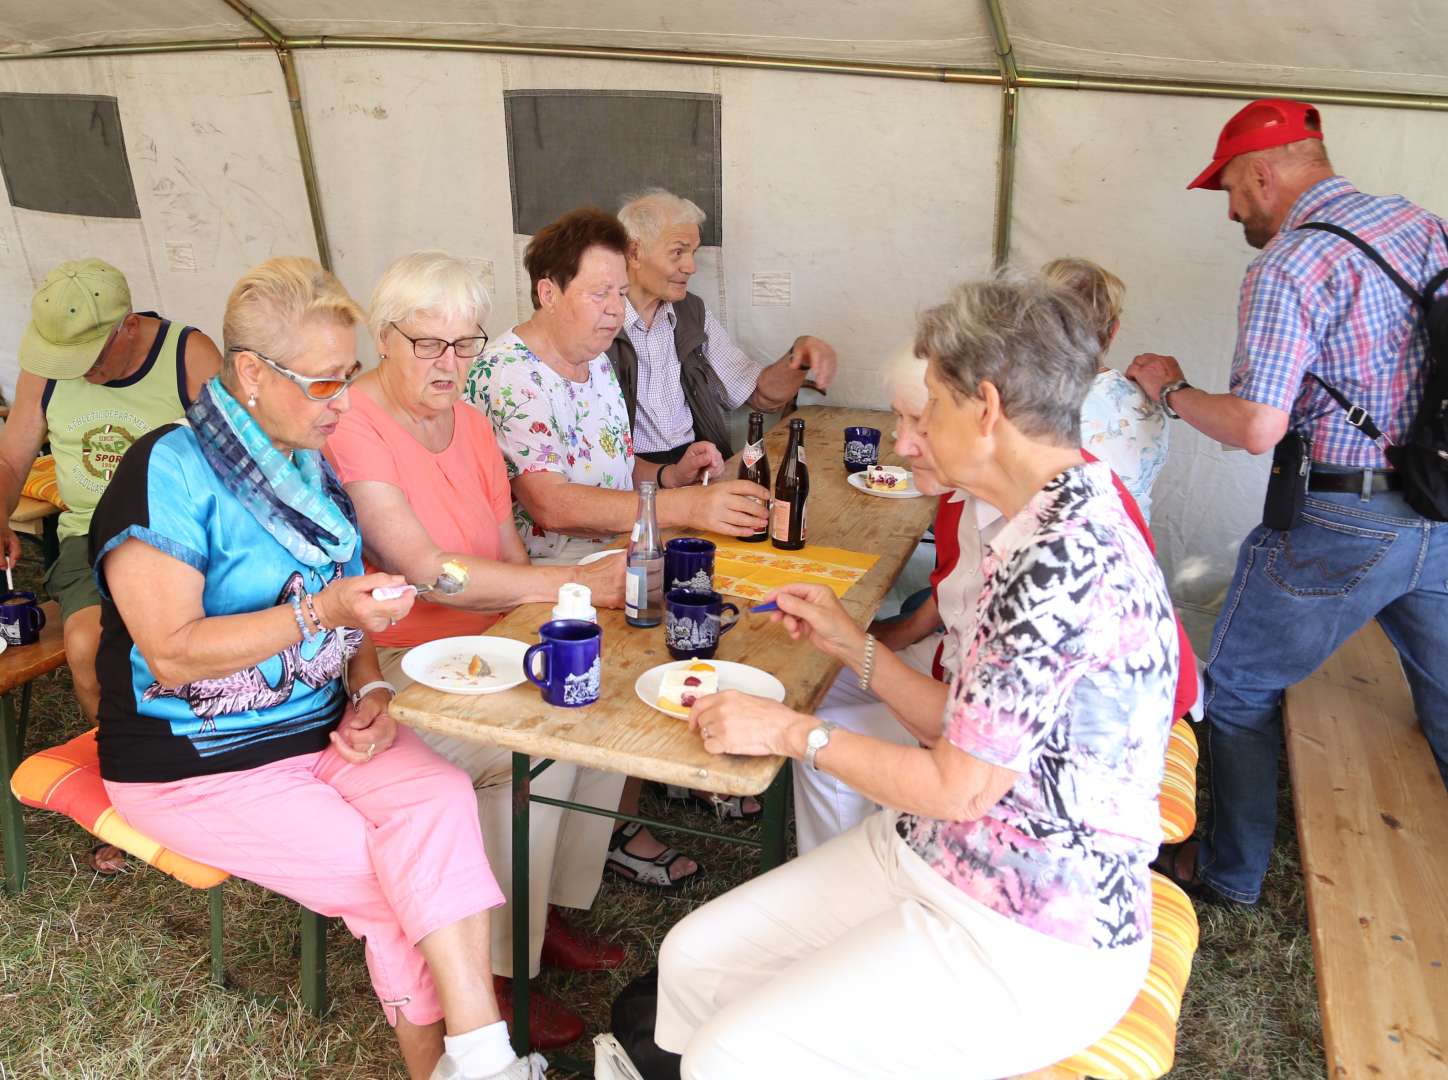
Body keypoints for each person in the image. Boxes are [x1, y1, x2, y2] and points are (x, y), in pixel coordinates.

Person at [654, 275, 1179, 1078]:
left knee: (734, 1054)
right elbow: (963, 728)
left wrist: (791, 731)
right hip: (941, 856)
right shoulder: (1041, 514)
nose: (905, 441)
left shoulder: (1062, 558)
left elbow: (956, 786)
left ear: (987, 409)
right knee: (694, 957)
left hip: (1032, 933)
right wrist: (851, 644)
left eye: (923, 409)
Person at [89, 256, 543, 1080]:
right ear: (253, 374)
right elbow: (172, 648)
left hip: (317, 727)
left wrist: (368, 681)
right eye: (326, 383)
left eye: (347, 377)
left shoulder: (306, 455)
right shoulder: (170, 468)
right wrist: (322, 616)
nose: (345, 400)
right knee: (394, 885)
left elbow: (343, 593)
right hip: (194, 760)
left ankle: (480, 1058)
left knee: (439, 800)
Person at [1126, 98, 1448, 909]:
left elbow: (1257, 426)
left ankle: (1228, 873)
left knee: (1234, 688)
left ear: (1265, 173)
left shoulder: (1291, 264)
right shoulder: (1424, 226)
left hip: (1345, 520)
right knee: (1445, 688)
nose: (1233, 209)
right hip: (1439, 501)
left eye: (1232, 189)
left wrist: (1171, 389)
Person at [326, 250, 630, 1049]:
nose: (450, 364)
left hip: (478, 642)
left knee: (595, 710)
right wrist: (576, 587)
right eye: (429, 344)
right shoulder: (355, 426)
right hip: (391, 662)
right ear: (383, 336)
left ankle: (543, 917)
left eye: (466, 345)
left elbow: (508, 554)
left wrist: (541, 616)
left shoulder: (467, 419)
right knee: (527, 750)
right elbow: (425, 572)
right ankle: (500, 965)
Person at [467, 209, 773, 889]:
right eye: (597, 295)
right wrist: (682, 506)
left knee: (725, 610)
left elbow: (610, 468)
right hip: (544, 575)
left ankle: (631, 809)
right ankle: (616, 824)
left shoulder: (594, 361)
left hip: (612, 554)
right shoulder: (511, 373)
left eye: (617, 294)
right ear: (548, 291)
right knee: (676, 624)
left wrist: (668, 477)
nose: (614, 312)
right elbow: (549, 501)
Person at [795, 346, 1198, 854]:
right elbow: (952, 602)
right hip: (967, 675)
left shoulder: (1052, 537)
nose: (901, 444)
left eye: (919, 420)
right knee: (812, 683)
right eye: (899, 419)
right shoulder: (970, 492)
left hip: (1043, 763)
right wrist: (872, 640)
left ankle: (856, 881)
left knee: (823, 738)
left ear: (982, 417)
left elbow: (974, 739)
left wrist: (841, 674)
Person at [0, 258, 221, 875]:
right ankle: (135, 788)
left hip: (177, 540)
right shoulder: (47, 363)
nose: (80, 375)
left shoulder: (186, 354)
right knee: (86, 646)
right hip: (87, 539)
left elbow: (237, 455)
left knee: (178, 650)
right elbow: (13, 455)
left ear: (127, 326)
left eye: (89, 359)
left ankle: (203, 781)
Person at [610, 188, 839, 463]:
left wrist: (798, 357)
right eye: (678, 252)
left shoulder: (690, 313)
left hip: (697, 464)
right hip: (628, 475)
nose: (691, 267)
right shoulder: (596, 321)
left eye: (692, 252)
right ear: (634, 253)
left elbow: (762, 396)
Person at [1042, 257, 1169, 521]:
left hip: (1060, 554)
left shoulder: (1028, 404)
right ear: (1113, 330)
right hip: (1133, 551)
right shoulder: (1152, 398)